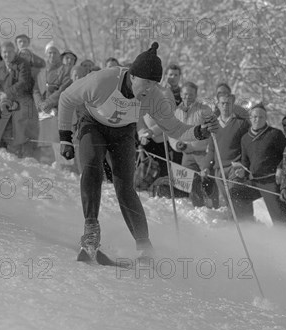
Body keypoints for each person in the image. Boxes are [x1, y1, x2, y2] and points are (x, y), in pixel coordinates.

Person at [57, 42, 218, 260]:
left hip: (123, 133)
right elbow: (66, 98)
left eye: (155, 83)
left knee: (125, 186)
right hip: (93, 124)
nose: (150, 88)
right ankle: (91, 232)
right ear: (132, 76)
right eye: (147, 82)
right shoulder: (103, 80)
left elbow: (175, 128)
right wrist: (65, 138)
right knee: (92, 167)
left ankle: (144, 246)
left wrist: (200, 131)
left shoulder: (154, 97)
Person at [234, 103, 286, 226]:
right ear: (250, 118)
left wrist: (280, 168)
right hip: (254, 181)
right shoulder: (245, 139)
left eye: (260, 117)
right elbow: (245, 162)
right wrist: (242, 171)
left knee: (278, 217)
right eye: (254, 117)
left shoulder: (275, 134)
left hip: (271, 181)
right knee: (236, 193)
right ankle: (248, 227)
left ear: (265, 119)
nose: (257, 119)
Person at [201, 92, 251, 214]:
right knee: (229, 204)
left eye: (228, 103)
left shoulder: (241, 123)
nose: (225, 106)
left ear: (233, 104)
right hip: (219, 170)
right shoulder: (213, 124)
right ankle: (234, 228)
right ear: (218, 104)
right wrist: (206, 167)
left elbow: (247, 147)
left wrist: (243, 166)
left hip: (235, 168)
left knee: (236, 200)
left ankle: (246, 226)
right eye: (222, 103)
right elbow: (211, 149)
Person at [167, 81, 215, 207]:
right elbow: (172, 133)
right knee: (190, 182)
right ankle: (197, 207)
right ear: (181, 94)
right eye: (185, 94)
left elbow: (213, 130)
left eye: (191, 94)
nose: (187, 97)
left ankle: (214, 207)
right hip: (187, 153)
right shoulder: (177, 112)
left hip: (203, 153)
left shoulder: (204, 110)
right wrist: (178, 145)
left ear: (196, 95)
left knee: (208, 180)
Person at [0, 42, 38, 158]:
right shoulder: (0, 65)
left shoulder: (23, 64)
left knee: (20, 119)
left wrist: (7, 93)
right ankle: (1, 145)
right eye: (4, 52)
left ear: (14, 52)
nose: (7, 55)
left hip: (22, 96)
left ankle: (22, 148)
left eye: (9, 52)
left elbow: (23, 82)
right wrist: (0, 94)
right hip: (5, 98)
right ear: (1, 54)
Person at [33, 43, 72, 165]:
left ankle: (60, 165)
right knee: (43, 140)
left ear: (59, 54)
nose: (52, 55)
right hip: (43, 111)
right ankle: (45, 163)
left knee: (56, 140)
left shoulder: (66, 70)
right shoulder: (41, 72)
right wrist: (41, 104)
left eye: (55, 52)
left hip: (58, 109)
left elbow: (63, 89)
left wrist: (49, 103)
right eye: (49, 52)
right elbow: (36, 90)